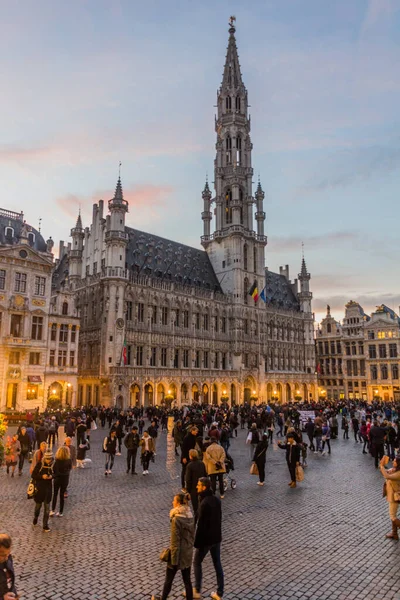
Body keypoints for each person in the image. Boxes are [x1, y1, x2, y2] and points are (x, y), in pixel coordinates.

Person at [151, 493, 195, 600]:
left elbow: (175, 541)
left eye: (174, 501)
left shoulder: (176, 519)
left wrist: (174, 560)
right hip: (187, 552)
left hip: (177, 554)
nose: (172, 502)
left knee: (168, 580)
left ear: (178, 503)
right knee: (187, 580)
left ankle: (163, 598)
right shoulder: (190, 516)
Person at [193, 477, 224, 600]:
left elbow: (201, 525)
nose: (197, 487)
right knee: (217, 564)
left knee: (196, 562)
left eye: (198, 485)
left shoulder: (204, 503)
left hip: (206, 539)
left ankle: (197, 589)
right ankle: (219, 592)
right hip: (216, 537)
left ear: (204, 487)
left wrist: (197, 543)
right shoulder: (216, 500)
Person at [32, 450, 54, 532]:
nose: (48, 461)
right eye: (47, 459)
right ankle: (36, 517)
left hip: (48, 490)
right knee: (38, 506)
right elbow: (33, 475)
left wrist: (51, 476)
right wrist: (42, 476)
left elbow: (57, 474)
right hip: (40, 489)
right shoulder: (40, 464)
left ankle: (45, 525)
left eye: (50, 459)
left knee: (47, 509)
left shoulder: (53, 464)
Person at [380, 453, 400, 540]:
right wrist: (384, 465)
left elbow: (387, 476)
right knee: (393, 514)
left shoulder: (398, 473)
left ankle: (394, 532)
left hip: (394, 496)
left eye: (395, 461)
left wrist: (381, 466)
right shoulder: (395, 470)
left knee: (392, 515)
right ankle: (394, 533)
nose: (393, 462)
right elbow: (387, 472)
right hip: (391, 495)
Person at [50, 446, 72, 517]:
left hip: (57, 479)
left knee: (55, 494)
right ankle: (61, 512)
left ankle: (53, 510)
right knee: (62, 495)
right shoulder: (69, 461)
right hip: (65, 480)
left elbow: (54, 470)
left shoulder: (57, 461)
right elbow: (69, 469)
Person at [185, 449, 207, 516]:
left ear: (191, 456)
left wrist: (188, 490)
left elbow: (188, 479)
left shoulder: (190, 465)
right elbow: (205, 474)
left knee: (195, 505)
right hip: (202, 486)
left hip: (193, 488)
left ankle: (197, 517)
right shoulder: (202, 463)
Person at [0, 533, 18, 600]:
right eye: (3, 555)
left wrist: (14, 594)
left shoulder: (8, 558)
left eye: (8, 553)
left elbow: (10, 580)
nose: (6, 558)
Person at [181, 426, 199, 491]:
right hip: (186, 457)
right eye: (196, 431)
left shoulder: (193, 437)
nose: (197, 432)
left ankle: (189, 485)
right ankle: (183, 486)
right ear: (192, 431)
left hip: (191, 457)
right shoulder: (186, 438)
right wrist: (184, 457)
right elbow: (183, 448)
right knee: (184, 472)